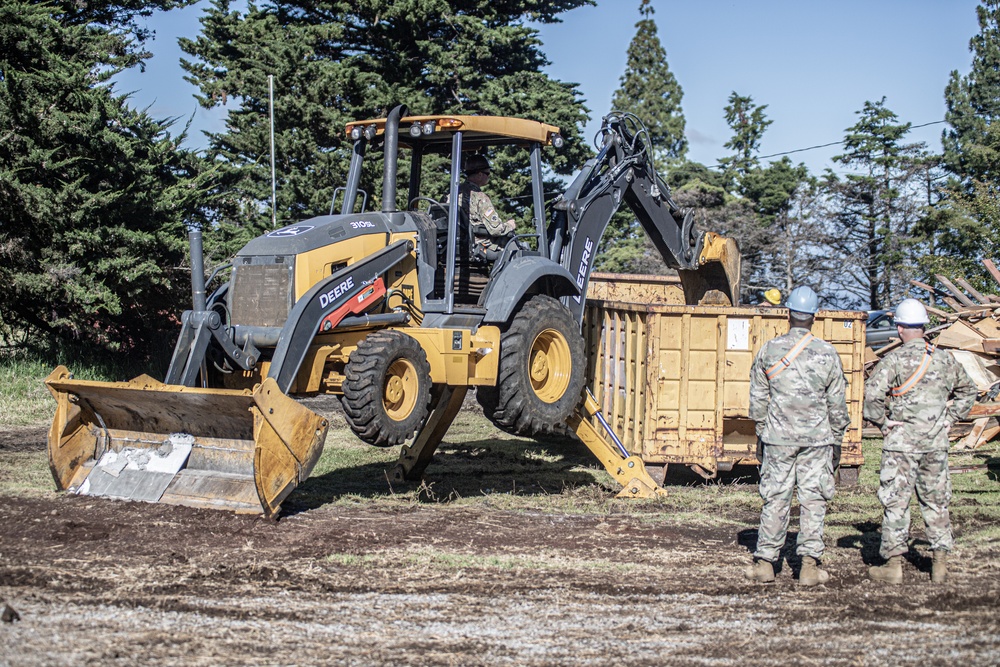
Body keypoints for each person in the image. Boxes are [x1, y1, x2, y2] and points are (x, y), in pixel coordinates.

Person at [864, 298, 976, 585]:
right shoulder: (944, 359)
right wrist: (950, 419)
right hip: (936, 443)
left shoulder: (894, 360)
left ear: (900, 328)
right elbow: (968, 391)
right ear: (924, 327)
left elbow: (872, 397)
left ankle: (894, 565)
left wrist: (884, 423)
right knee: (937, 501)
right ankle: (939, 564)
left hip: (901, 444)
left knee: (896, 503)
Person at [745, 285, 850, 586]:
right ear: (814, 317)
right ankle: (808, 567)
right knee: (813, 499)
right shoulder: (828, 353)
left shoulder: (769, 350)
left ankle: (765, 563)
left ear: (788, 313)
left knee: (775, 497)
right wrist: (837, 441)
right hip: (817, 440)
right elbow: (837, 406)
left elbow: (758, 400)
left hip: (778, 438)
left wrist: (763, 434)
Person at [454, 154, 516, 262]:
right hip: (476, 245)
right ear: (479, 174)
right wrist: (510, 226)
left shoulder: (450, 195)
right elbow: (495, 229)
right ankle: (499, 278)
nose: (489, 176)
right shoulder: (479, 197)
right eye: (487, 173)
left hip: (452, 246)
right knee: (515, 249)